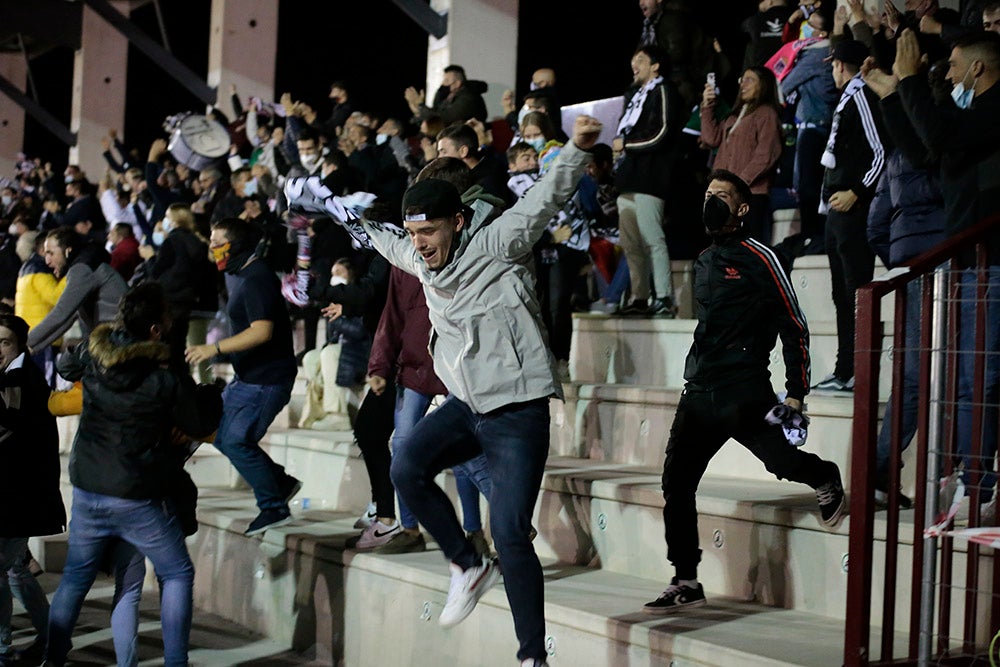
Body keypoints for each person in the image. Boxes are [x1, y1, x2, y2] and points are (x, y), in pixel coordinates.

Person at [286, 114, 605, 667]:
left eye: (430, 232)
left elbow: (545, 198)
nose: (421, 245)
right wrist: (320, 198)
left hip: (516, 410)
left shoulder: (500, 240)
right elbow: (374, 232)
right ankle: (465, 562)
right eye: (415, 234)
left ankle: (532, 657)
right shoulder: (414, 252)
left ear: (457, 221)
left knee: (510, 532)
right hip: (465, 405)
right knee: (404, 464)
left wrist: (576, 150)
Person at [643, 170, 845, 615]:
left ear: (742, 207)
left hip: (747, 393)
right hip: (698, 393)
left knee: (783, 462)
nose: (711, 200)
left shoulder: (762, 257)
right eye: (708, 193)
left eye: (722, 195)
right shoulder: (703, 260)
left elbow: (794, 326)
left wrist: (796, 395)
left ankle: (825, 475)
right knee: (676, 483)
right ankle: (686, 578)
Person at [46, 283, 218, 667]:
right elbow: (197, 421)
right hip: (135, 494)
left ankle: (52, 659)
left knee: (76, 578)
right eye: (168, 319)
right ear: (156, 330)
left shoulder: (95, 354)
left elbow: (64, 366)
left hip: (89, 488)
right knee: (177, 574)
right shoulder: (164, 376)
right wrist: (210, 394)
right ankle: (176, 662)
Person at [863, 30, 1000, 508]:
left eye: (955, 66)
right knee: (963, 380)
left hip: (990, 264)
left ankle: (977, 481)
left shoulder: (994, 110)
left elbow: (938, 135)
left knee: (977, 378)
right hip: (963, 263)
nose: (951, 75)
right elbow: (924, 152)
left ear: (979, 69)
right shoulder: (970, 118)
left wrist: (912, 81)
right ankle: (969, 478)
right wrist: (893, 95)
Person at [185, 217, 302, 535]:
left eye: (218, 241)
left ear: (236, 245)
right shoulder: (244, 275)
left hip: (267, 380)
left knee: (237, 441)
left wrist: (215, 349)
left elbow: (262, 331)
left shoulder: (256, 279)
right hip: (248, 376)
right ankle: (279, 481)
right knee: (222, 436)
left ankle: (274, 507)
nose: (212, 247)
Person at [812, 39, 889, 392]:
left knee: (856, 294)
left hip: (854, 211)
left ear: (841, 65)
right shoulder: (847, 97)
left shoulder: (860, 94)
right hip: (836, 212)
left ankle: (860, 372)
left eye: (833, 63)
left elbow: (880, 152)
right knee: (842, 296)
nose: (831, 69)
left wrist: (857, 191)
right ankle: (845, 371)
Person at [0, 314, 65, 667]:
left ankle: (2, 650)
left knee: (5, 570)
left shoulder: (21, 380)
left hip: (17, 496)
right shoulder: (17, 376)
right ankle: (51, 636)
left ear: (20, 345)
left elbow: (8, 431)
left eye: (3, 342)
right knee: (16, 570)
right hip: (20, 495)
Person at [614, 44, 684, 317]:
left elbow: (663, 132)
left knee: (652, 238)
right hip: (627, 177)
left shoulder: (664, 90)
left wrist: (627, 144)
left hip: (650, 176)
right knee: (630, 242)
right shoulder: (632, 95)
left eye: (641, 60)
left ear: (656, 66)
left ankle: (665, 296)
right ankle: (639, 296)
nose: (635, 64)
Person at [699, 66, 784, 243]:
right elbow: (710, 138)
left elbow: (766, 155)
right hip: (725, 197)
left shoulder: (766, 113)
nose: (743, 84)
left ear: (764, 85)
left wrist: (738, 184)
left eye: (750, 80)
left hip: (751, 195)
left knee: (749, 247)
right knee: (723, 247)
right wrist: (707, 107)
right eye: (742, 80)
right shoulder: (733, 116)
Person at [26, 227, 127, 353]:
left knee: (68, 364)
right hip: (114, 336)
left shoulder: (81, 269)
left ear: (68, 251)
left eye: (51, 253)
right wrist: (32, 347)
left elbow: (62, 312)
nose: (47, 261)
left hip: (117, 339)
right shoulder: (85, 263)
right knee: (66, 363)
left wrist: (22, 342)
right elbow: (68, 318)